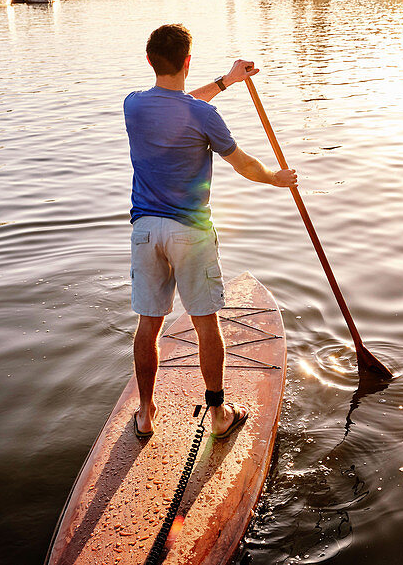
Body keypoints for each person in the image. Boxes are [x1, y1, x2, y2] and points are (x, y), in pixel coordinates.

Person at [124, 23, 297, 441]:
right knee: (205, 323)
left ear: (150, 61)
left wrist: (226, 81)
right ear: (188, 61)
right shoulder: (203, 115)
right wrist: (276, 178)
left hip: (145, 230)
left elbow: (179, 102)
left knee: (149, 324)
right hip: (190, 232)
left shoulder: (133, 105)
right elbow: (242, 163)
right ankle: (219, 415)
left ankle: (146, 413)